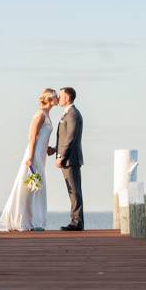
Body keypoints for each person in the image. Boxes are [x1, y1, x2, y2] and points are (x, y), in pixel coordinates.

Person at [0, 88, 58, 231]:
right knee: (32, 186)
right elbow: (33, 137)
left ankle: (34, 220)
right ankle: (29, 221)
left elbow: (43, 138)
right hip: (34, 154)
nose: (58, 98)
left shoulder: (47, 115)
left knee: (36, 186)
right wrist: (31, 158)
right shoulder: (39, 115)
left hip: (41, 153)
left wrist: (48, 149)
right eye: (56, 96)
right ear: (50, 99)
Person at [50, 86, 84, 231]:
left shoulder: (73, 114)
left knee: (74, 191)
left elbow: (70, 137)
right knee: (72, 191)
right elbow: (65, 137)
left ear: (68, 97)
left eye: (61, 95)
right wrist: (54, 150)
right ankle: (75, 220)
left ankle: (77, 222)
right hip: (67, 158)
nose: (59, 97)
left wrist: (61, 156)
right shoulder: (67, 114)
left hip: (70, 159)